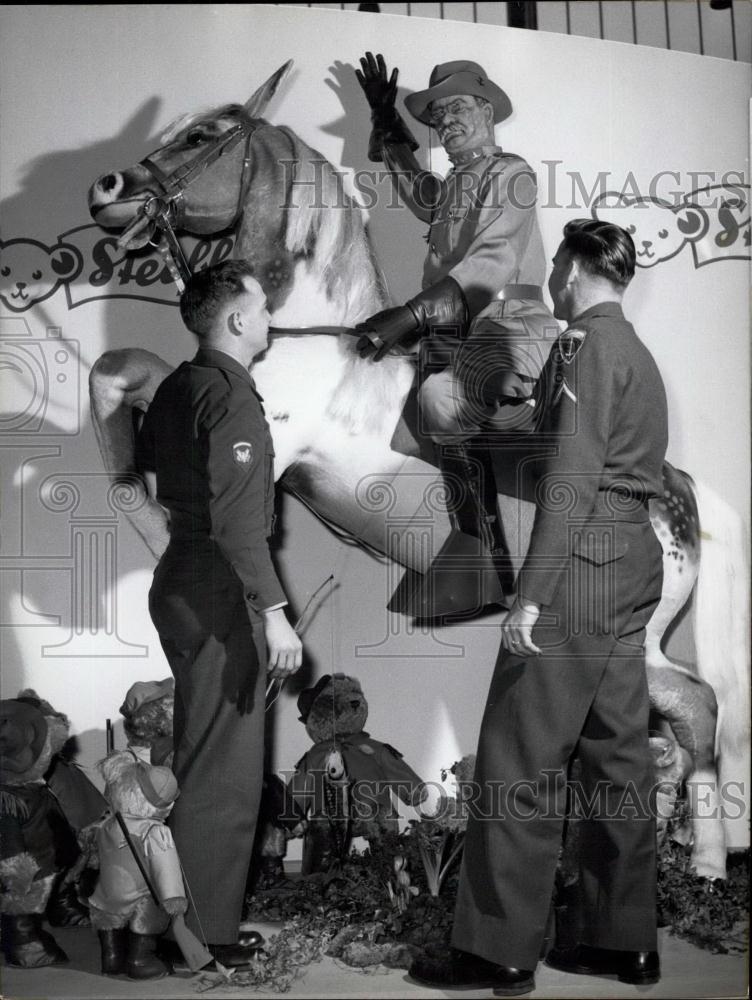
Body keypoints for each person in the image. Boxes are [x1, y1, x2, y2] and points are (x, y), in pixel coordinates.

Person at [409, 220, 667, 995]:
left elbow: (572, 481)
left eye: (558, 260)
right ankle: (623, 943)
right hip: (631, 560)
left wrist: (531, 597)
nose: (551, 272)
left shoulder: (583, 346)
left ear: (581, 268)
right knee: (616, 756)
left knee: (518, 759)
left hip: (582, 564)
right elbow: (580, 449)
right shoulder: (640, 356)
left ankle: (499, 952)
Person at [136, 260, 303, 969]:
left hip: (181, 577)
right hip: (219, 592)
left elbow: (154, 477)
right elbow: (240, 529)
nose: (270, 318)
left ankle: (190, 922)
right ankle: (202, 937)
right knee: (223, 770)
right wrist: (275, 613)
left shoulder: (180, 386)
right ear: (235, 320)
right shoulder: (230, 397)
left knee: (199, 756)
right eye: (262, 308)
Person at [354, 55, 557, 612]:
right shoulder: (455, 184)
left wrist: (411, 316)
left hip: (506, 326)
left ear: (487, 110)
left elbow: (490, 262)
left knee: (440, 399)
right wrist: (385, 120)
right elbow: (421, 192)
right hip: (453, 327)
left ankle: (491, 568)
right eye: (438, 114)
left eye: (458, 107)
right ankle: (475, 559)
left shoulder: (511, 174)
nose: (446, 121)